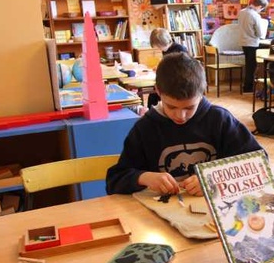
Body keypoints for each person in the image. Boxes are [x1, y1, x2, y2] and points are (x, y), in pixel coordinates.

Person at [106, 52, 263, 196]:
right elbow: (114, 180)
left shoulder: (220, 120)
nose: (180, 116)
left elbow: (259, 162)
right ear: (158, 92)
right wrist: (144, 177)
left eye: (189, 107)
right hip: (163, 217)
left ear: (202, 93)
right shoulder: (145, 128)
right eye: (171, 106)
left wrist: (215, 178)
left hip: (215, 212)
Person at [146, 28, 189, 107]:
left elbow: (182, 70)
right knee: (153, 95)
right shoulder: (166, 50)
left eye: (159, 47)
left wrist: (163, 69)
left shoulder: (180, 50)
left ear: (164, 43)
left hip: (178, 82)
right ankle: (152, 114)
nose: (159, 49)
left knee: (154, 95)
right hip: (169, 80)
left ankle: (155, 113)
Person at [238, 0, 269, 93]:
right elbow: (260, 33)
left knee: (248, 65)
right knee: (252, 66)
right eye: (262, 9)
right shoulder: (255, 15)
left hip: (243, 42)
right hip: (252, 43)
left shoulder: (242, 12)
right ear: (259, 6)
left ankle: (247, 86)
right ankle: (249, 87)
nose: (261, 11)